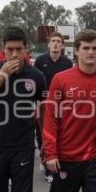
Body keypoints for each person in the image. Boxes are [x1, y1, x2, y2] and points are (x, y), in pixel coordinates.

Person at [0, 27, 47, 192]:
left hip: (24, 146)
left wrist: (46, 141)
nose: (14, 54)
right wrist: (2, 75)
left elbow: (44, 109)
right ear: (3, 49)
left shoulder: (36, 75)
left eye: (18, 49)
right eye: (10, 49)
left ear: (25, 49)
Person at [43, 29, 96, 192]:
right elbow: (50, 118)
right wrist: (51, 153)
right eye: (86, 48)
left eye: (95, 48)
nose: (90, 52)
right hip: (65, 158)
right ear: (75, 51)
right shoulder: (60, 79)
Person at [34, 31, 73, 182]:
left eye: (58, 41)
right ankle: (45, 163)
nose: (56, 43)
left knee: (58, 134)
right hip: (43, 104)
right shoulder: (40, 61)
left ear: (62, 45)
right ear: (49, 44)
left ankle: (54, 162)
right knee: (42, 135)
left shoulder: (67, 63)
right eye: (53, 41)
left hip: (61, 105)